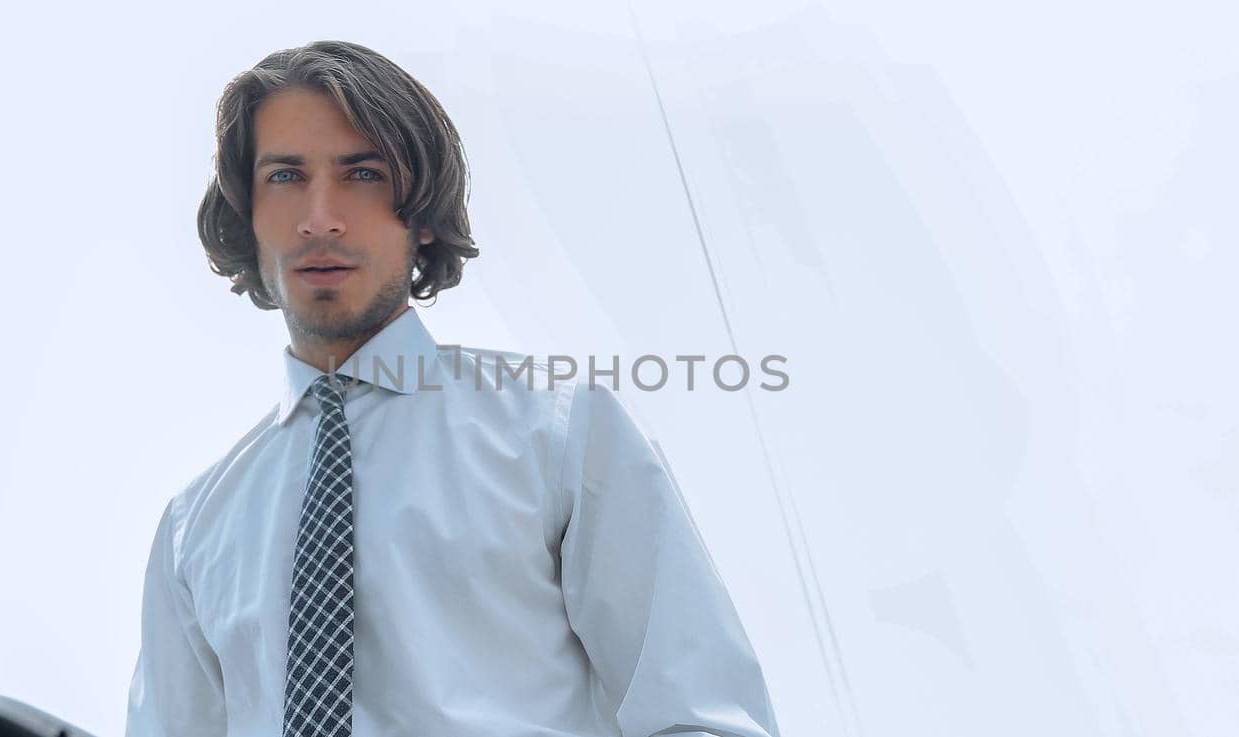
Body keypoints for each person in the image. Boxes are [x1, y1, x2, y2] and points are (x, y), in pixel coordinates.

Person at [125, 40, 781, 737]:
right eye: (285, 176)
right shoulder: (194, 530)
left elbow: (703, 716)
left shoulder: (557, 432)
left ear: (426, 210)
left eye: (363, 174)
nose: (320, 216)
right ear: (246, 213)